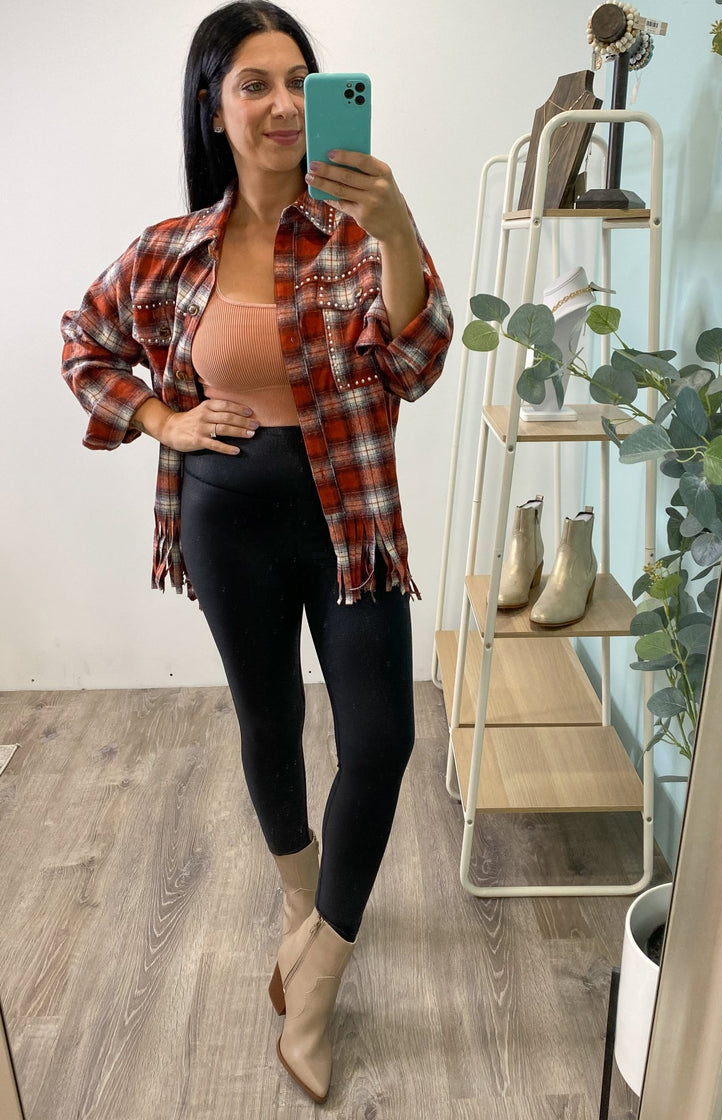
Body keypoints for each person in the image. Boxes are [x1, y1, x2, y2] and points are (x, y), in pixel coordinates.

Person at [61, 0, 452, 1104]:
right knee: (268, 718)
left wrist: (396, 230)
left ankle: (320, 966)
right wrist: (165, 420)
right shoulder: (169, 249)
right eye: (254, 85)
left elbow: (416, 361)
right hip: (225, 520)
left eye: (299, 82)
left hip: (350, 521)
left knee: (381, 738)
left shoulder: (359, 234)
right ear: (212, 107)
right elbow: (85, 342)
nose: (284, 106)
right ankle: (296, 902)